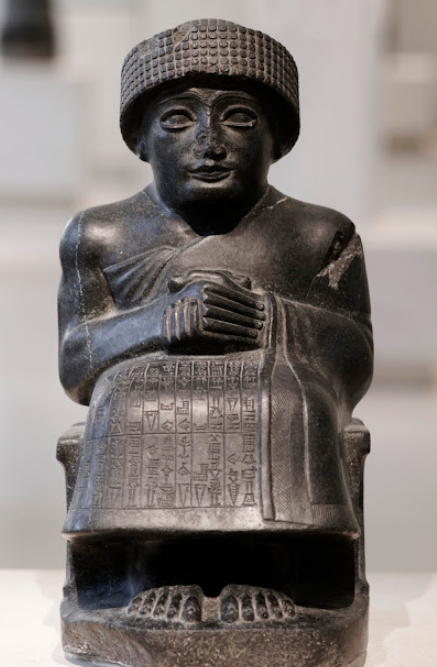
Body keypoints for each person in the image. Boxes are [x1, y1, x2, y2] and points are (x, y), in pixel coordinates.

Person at [58, 19, 373, 539]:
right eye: (178, 120)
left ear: (277, 139)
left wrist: (266, 318)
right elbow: (75, 365)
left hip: (276, 404)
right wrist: (158, 322)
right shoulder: (101, 234)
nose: (209, 143)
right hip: (143, 413)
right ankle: (144, 564)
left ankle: (283, 564)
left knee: (288, 404)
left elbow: (356, 360)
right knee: (131, 403)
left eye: (240, 118)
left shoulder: (319, 234)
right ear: (140, 140)